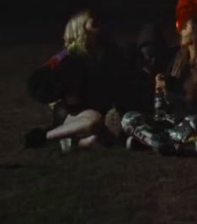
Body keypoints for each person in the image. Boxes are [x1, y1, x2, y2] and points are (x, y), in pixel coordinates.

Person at [120, 16, 197, 156]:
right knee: (129, 119)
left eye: (186, 28)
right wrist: (161, 89)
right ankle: (169, 143)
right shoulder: (178, 60)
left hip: (191, 121)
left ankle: (152, 141)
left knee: (196, 122)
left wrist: (170, 92)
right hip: (170, 123)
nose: (181, 32)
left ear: (196, 34)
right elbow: (161, 113)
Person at [25, 10, 125, 151]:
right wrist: (58, 93)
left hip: (100, 109)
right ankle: (43, 137)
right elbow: (37, 80)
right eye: (92, 20)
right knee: (93, 120)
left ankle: (77, 142)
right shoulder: (67, 57)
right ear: (79, 26)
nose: (98, 22)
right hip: (74, 112)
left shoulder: (106, 52)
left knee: (104, 133)